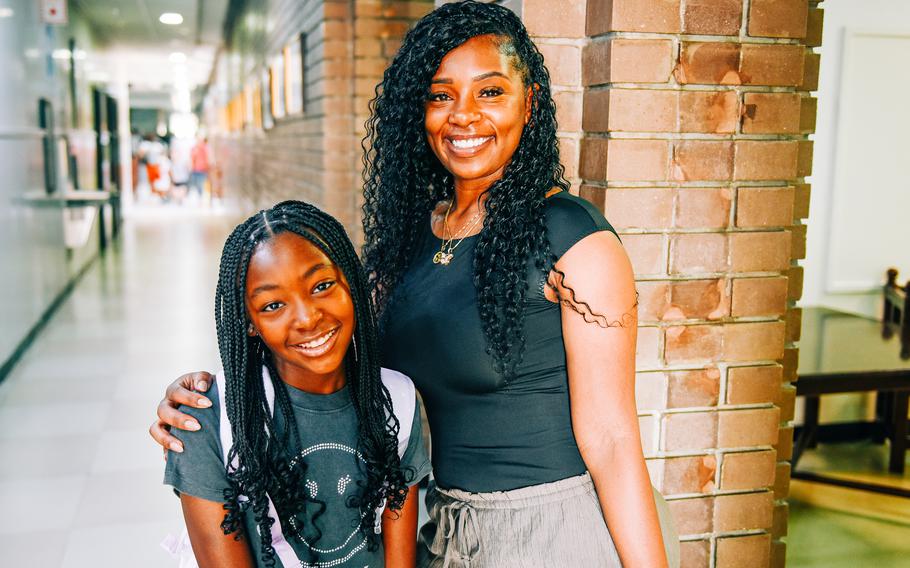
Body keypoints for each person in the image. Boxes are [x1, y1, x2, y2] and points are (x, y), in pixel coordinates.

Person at [151, 2, 677, 566]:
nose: (465, 116)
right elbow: (326, 355)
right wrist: (212, 399)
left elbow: (614, 440)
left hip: (551, 528)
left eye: (490, 92)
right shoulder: (409, 239)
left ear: (529, 102)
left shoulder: (573, 238)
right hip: (441, 529)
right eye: (441, 94)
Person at [163, 200, 431, 567]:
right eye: (273, 305)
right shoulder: (207, 420)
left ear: (350, 283)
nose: (307, 318)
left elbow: (399, 556)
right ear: (249, 323)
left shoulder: (395, 401)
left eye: (321, 285)